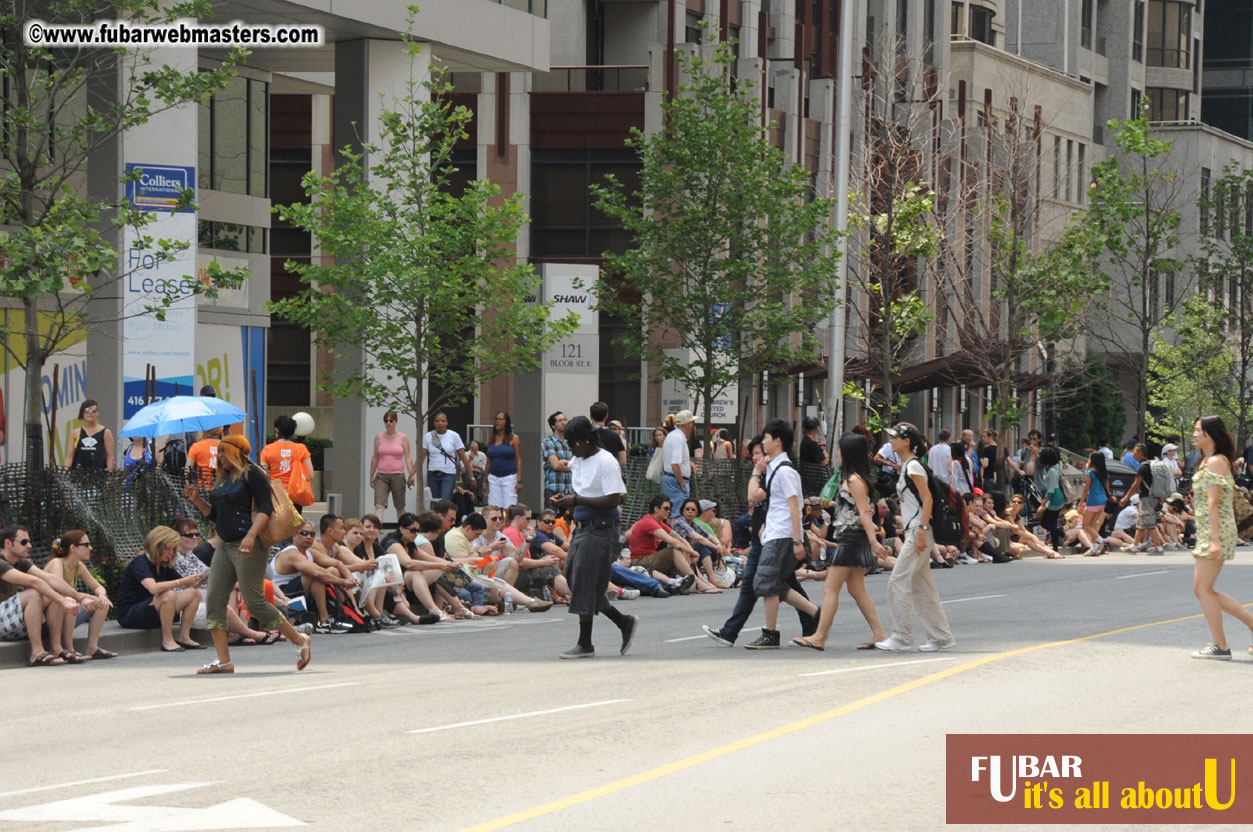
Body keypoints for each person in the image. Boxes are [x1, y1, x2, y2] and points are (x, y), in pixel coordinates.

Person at [184, 433, 312, 674]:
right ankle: (224, 661)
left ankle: (299, 640)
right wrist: (197, 500)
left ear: (236, 452)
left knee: (255, 601)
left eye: (223, 452)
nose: (218, 456)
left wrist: (251, 536)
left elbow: (265, 508)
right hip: (226, 544)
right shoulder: (221, 479)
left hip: (249, 544)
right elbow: (215, 516)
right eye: (218, 452)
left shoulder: (253, 474)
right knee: (214, 601)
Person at [701, 435, 819, 647]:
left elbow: (753, 496)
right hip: (767, 540)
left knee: (756, 585)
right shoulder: (770, 476)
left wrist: (796, 540)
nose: (756, 458)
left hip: (773, 540)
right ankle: (813, 620)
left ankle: (742, 632)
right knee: (778, 584)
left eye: (759, 454)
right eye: (754, 454)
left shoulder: (773, 477)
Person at [548, 415, 638, 659]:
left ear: (588, 440)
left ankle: (585, 643)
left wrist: (576, 500)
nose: (570, 448)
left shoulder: (606, 461)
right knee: (575, 577)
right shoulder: (579, 459)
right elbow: (584, 490)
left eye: (574, 443)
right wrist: (567, 499)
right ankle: (623, 621)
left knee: (585, 580)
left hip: (602, 528)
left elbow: (614, 498)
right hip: (583, 526)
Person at [793, 433, 890, 651]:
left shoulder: (854, 480)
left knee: (830, 588)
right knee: (856, 590)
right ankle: (879, 633)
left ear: (847, 453)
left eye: (839, 449)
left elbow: (864, 513)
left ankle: (819, 637)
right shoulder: (853, 478)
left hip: (851, 537)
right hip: (852, 536)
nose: (836, 453)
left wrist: (874, 542)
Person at [875, 422, 956, 653]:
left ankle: (902, 637)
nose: (891, 441)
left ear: (907, 440)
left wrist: (921, 530)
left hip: (918, 531)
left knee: (898, 582)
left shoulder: (912, 467)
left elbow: (928, 499)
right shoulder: (910, 466)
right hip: (919, 529)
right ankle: (941, 637)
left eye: (894, 437)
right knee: (922, 587)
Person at [742, 419, 821, 649]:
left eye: (766, 438)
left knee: (764, 581)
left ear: (777, 441)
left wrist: (797, 540)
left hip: (783, 535)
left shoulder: (785, 471)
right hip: (776, 533)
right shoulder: (776, 468)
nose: (763, 442)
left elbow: (794, 506)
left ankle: (771, 633)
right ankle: (815, 614)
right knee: (771, 582)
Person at [1188, 415, 1253, 659]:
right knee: (1204, 589)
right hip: (1210, 531)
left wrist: (1214, 539)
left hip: (1217, 532)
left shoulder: (1215, 462)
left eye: (1198, 430)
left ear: (1210, 433)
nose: (1194, 435)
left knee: (1202, 589)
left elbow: (1214, 502)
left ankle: (1220, 646)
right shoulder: (1207, 461)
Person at [0, 526, 100, 666]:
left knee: (52, 593)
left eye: (29, 541)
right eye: (24, 542)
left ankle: (56, 648)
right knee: (34, 593)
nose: (29, 545)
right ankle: (37, 652)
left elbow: (49, 578)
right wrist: (63, 601)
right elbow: (33, 581)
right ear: (8, 543)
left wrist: (79, 597)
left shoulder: (21, 562)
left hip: (8, 620)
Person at [116, 526, 206, 652]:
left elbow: (186, 586)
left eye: (173, 549)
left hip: (152, 607)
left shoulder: (163, 565)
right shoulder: (140, 562)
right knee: (168, 594)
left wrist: (199, 580)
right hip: (131, 613)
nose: (171, 553)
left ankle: (184, 637)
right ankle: (167, 640)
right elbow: (153, 588)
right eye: (168, 548)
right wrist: (181, 581)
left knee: (193, 593)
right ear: (157, 546)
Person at [43, 530, 115, 661]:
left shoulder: (78, 565)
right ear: (73, 548)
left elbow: (98, 586)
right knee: (70, 600)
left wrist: (101, 596)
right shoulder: (57, 563)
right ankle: (69, 649)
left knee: (102, 604)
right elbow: (60, 590)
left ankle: (92, 648)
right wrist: (84, 598)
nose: (90, 548)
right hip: (49, 617)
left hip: (67, 613)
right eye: (86, 544)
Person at [261, 414, 315, 507]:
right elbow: (310, 475)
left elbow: (262, 475)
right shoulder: (301, 449)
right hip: (296, 494)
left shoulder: (268, 449)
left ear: (277, 430)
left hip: (276, 495)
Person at [422, 412, 475, 503]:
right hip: (433, 473)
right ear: (434, 423)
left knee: (445, 502)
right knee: (435, 502)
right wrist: (412, 473)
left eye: (443, 421)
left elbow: (463, 457)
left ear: (447, 423)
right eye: (437, 421)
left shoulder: (454, 436)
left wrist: (472, 477)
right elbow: (421, 457)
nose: (440, 423)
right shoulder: (428, 436)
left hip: (448, 474)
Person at [485, 411, 523, 510]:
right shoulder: (492, 438)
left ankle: (508, 525)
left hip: (509, 477)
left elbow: (519, 460)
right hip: (493, 477)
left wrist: (519, 480)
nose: (498, 421)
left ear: (506, 422)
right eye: (496, 419)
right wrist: (484, 481)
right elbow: (489, 461)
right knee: (494, 507)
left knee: (509, 506)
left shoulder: (514, 438)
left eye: (501, 419)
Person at [661, 409, 696, 517]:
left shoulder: (673, 435)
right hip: (675, 480)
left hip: (671, 478)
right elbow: (675, 464)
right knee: (676, 513)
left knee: (671, 512)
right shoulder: (679, 438)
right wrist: (681, 483)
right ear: (688, 424)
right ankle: (675, 534)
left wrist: (688, 463)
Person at [1077, 451, 1112, 556]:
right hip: (1103, 500)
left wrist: (1081, 502)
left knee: (1086, 525)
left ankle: (1101, 540)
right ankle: (1094, 548)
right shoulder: (1105, 473)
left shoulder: (1091, 473)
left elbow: (1086, 489)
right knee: (1093, 525)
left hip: (1093, 500)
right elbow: (1107, 489)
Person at [64, 399, 114, 470]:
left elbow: (110, 457)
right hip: (78, 475)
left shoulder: (106, 432)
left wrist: (110, 477)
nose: (90, 413)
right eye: (87, 410)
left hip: (99, 475)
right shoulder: (75, 433)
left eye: (93, 411)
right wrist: (64, 473)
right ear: (82, 413)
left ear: (97, 413)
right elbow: (69, 456)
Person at [1035, 446, 1066, 556]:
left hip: (1054, 498)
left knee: (1045, 523)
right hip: (1059, 497)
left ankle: (1061, 533)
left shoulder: (1052, 471)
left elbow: (1051, 490)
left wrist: (1043, 505)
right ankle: (1055, 549)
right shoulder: (1056, 467)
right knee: (1052, 523)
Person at [541, 411, 573, 506]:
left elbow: (579, 462)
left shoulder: (571, 441)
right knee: (552, 519)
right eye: (560, 420)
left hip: (570, 489)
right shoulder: (548, 442)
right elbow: (556, 465)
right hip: (554, 488)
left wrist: (564, 463)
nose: (564, 422)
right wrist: (574, 465)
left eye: (565, 419)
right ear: (553, 426)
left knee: (570, 520)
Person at [589, 402, 628, 466]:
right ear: (606, 416)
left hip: (589, 473)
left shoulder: (584, 435)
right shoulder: (615, 436)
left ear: (590, 416)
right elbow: (623, 462)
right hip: (609, 473)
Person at [186, 427, 223, 491]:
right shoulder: (226, 446)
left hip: (203, 490)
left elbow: (187, 470)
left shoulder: (196, 446)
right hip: (222, 488)